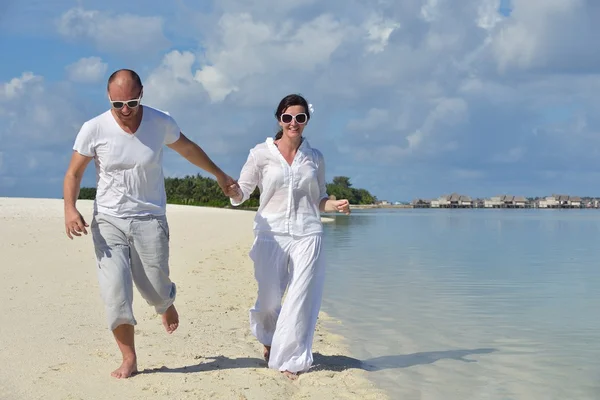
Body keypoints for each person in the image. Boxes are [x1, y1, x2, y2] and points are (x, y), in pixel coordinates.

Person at [63, 69, 239, 379]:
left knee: (155, 285)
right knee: (115, 290)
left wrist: (219, 174)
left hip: (150, 218)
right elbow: (74, 173)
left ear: (142, 93)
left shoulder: (160, 122)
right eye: (118, 104)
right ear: (109, 99)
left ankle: (164, 301)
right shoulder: (94, 128)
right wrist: (69, 207)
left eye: (131, 102)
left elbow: (187, 149)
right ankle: (129, 357)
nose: (125, 110)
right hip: (108, 219)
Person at [228, 94, 350, 380]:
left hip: (308, 232)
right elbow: (242, 192)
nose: (293, 123)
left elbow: (319, 198)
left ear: (307, 120)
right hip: (270, 233)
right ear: (279, 119)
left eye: (300, 117)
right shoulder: (260, 153)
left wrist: (335, 205)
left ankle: (291, 360)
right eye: (287, 118)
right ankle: (270, 339)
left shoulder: (315, 157)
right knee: (269, 300)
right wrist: (232, 190)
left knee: (300, 296)